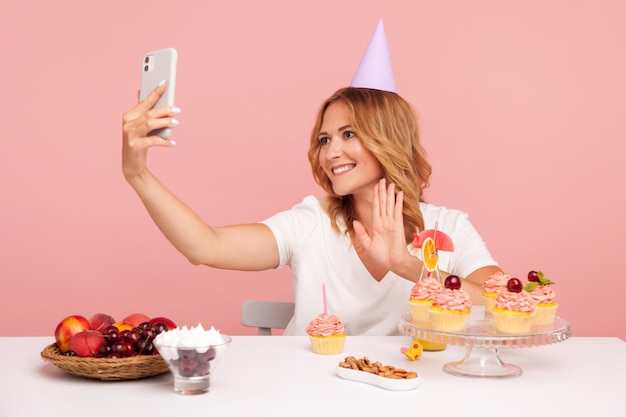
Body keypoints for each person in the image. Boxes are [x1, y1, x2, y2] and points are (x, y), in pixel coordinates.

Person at [121, 22, 503, 335]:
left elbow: (502, 303)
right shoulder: (312, 223)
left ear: (388, 141)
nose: (330, 151)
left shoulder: (448, 226)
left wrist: (407, 265)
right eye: (325, 139)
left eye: (349, 134)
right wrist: (137, 174)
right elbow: (207, 245)